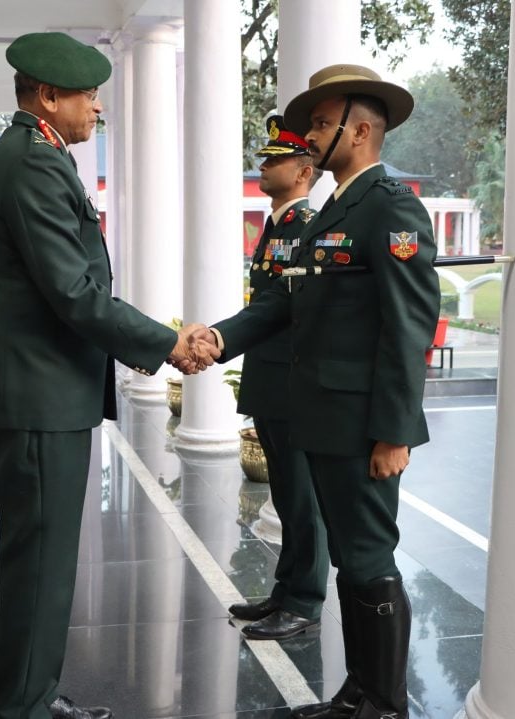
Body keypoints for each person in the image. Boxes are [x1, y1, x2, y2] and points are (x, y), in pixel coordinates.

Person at [0, 32, 216, 719]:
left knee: (42, 564)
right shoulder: (34, 164)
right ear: (47, 96)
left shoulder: (34, 156)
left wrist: (140, 341)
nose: (97, 108)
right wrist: (165, 341)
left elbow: (70, 288)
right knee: (39, 566)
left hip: (38, 387)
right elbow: (74, 290)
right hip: (34, 392)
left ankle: (32, 695)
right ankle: (23, 707)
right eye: (88, 95)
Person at [196, 65, 440, 719]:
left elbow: (407, 325)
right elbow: (280, 304)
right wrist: (216, 338)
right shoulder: (330, 209)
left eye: (322, 124)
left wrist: (394, 430)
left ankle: (383, 704)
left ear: (359, 131)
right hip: (324, 416)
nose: (309, 135)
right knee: (349, 559)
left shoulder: (389, 206)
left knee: (366, 554)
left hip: (362, 422)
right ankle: (356, 693)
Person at [228, 115, 331, 641]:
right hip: (270, 380)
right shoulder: (278, 225)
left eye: (276, 159)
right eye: (265, 157)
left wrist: (218, 340)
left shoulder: (306, 226)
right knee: (286, 494)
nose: (264, 165)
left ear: (305, 170)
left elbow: (279, 306)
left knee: (301, 496)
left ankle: (306, 600)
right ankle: (286, 590)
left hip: (291, 384)